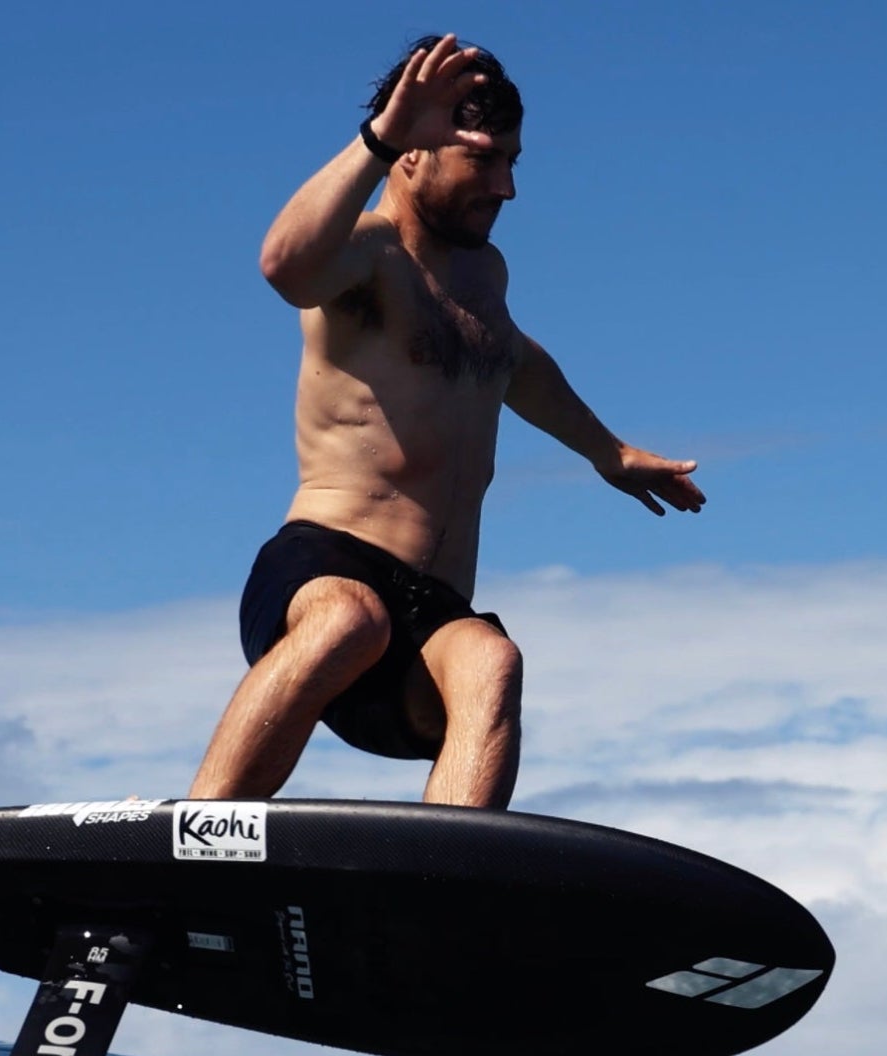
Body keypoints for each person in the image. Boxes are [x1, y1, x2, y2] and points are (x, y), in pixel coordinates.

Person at [189, 33, 704, 811]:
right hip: (325, 571)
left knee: (492, 662)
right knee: (348, 624)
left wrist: (610, 452)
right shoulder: (366, 253)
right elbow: (284, 265)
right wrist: (377, 138)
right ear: (415, 153)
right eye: (484, 162)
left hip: (428, 610)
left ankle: (441, 898)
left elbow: (514, 362)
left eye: (512, 162)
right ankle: (200, 834)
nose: (506, 188)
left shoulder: (482, 275)